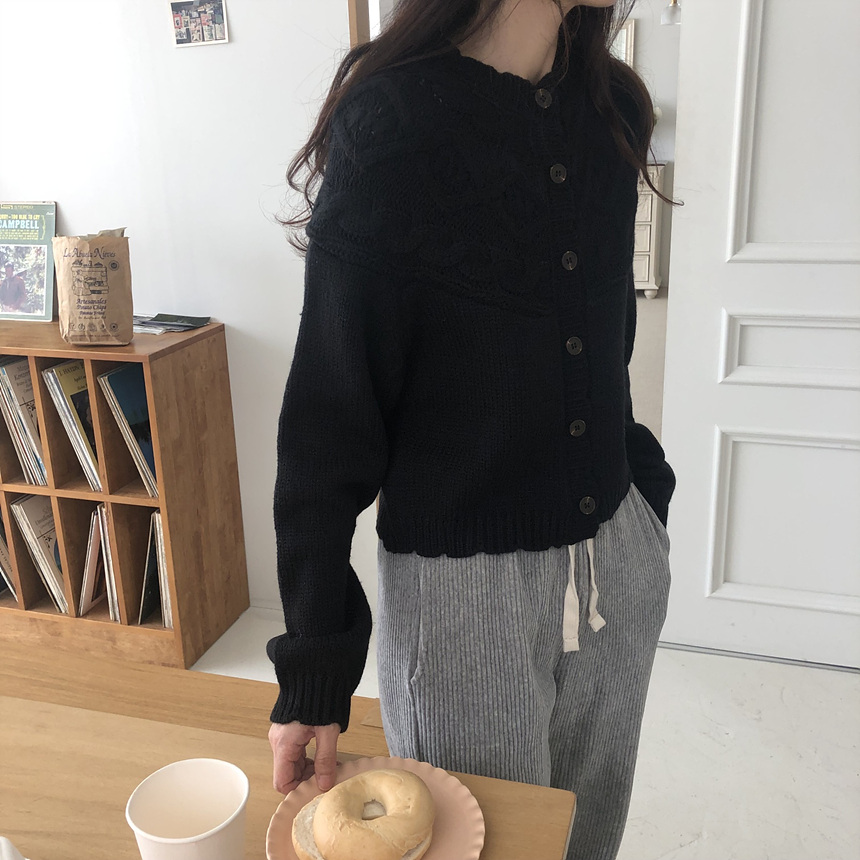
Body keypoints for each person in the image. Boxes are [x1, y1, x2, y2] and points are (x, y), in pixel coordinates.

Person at [267, 2, 678, 858]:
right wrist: (315, 670)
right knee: (479, 847)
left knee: (589, 838)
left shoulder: (613, 108)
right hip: (465, 598)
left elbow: (605, 344)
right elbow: (329, 419)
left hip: (617, 563)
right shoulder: (393, 123)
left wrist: (645, 499)